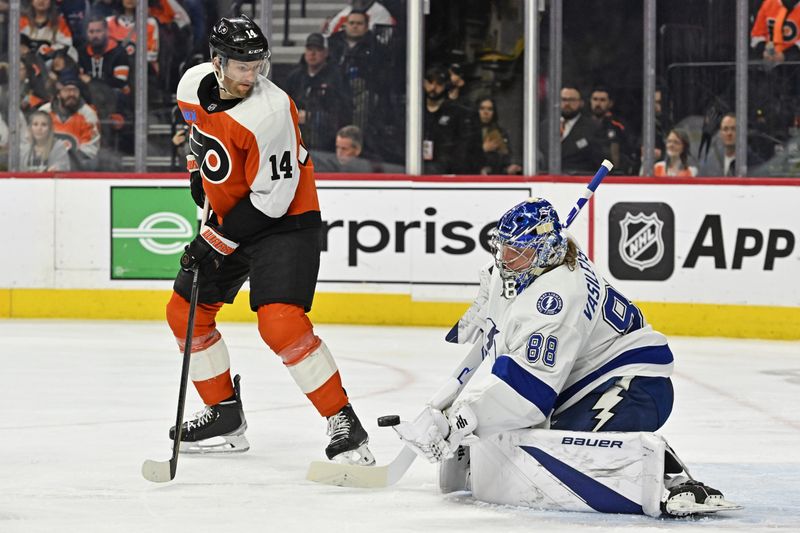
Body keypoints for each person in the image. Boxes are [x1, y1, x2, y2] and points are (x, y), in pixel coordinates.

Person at [393, 197, 740, 517]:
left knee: (554, 442)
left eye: (518, 253)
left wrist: (462, 421)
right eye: (504, 250)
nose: (506, 260)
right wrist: (493, 293)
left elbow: (529, 396)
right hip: (595, 377)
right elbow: (519, 267)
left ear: (544, 253)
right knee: (520, 430)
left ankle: (675, 481)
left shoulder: (555, 300)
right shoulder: (559, 251)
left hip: (637, 385)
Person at [167, 14, 374, 466]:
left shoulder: (271, 111)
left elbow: (271, 204)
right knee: (185, 311)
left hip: (285, 221)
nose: (251, 75)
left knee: (279, 322)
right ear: (216, 62)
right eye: (241, 66)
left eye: (257, 65)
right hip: (234, 213)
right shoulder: (191, 85)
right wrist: (196, 172)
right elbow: (195, 134)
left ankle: (343, 421)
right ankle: (223, 412)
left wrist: (212, 241)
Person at [283, 33, 353, 152]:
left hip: (327, 141)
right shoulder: (295, 77)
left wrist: (312, 116)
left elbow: (343, 109)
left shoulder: (337, 77)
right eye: (310, 49)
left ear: (326, 53)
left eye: (318, 50)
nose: (312, 54)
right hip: (297, 138)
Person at [39, 70, 101, 170]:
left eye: (75, 90)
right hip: (46, 165)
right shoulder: (44, 112)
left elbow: (90, 150)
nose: (71, 94)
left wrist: (65, 164)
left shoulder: (88, 114)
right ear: (58, 94)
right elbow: (34, 143)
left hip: (77, 168)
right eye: (67, 90)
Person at [540, 85, 603, 175]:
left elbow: (599, 160)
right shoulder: (545, 126)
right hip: (546, 181)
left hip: (580, 181)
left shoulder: (593, 128)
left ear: (581, 103)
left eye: (572, 100)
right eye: (563, 99)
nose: (567, 104)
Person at [589, 86, 635, 174]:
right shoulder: (582, 125)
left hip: (613, 175)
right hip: (586, 173)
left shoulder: (619, 126)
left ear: (610, 103)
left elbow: (629, 151)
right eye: (595, 99)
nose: (598, 103)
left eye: (602, 100)